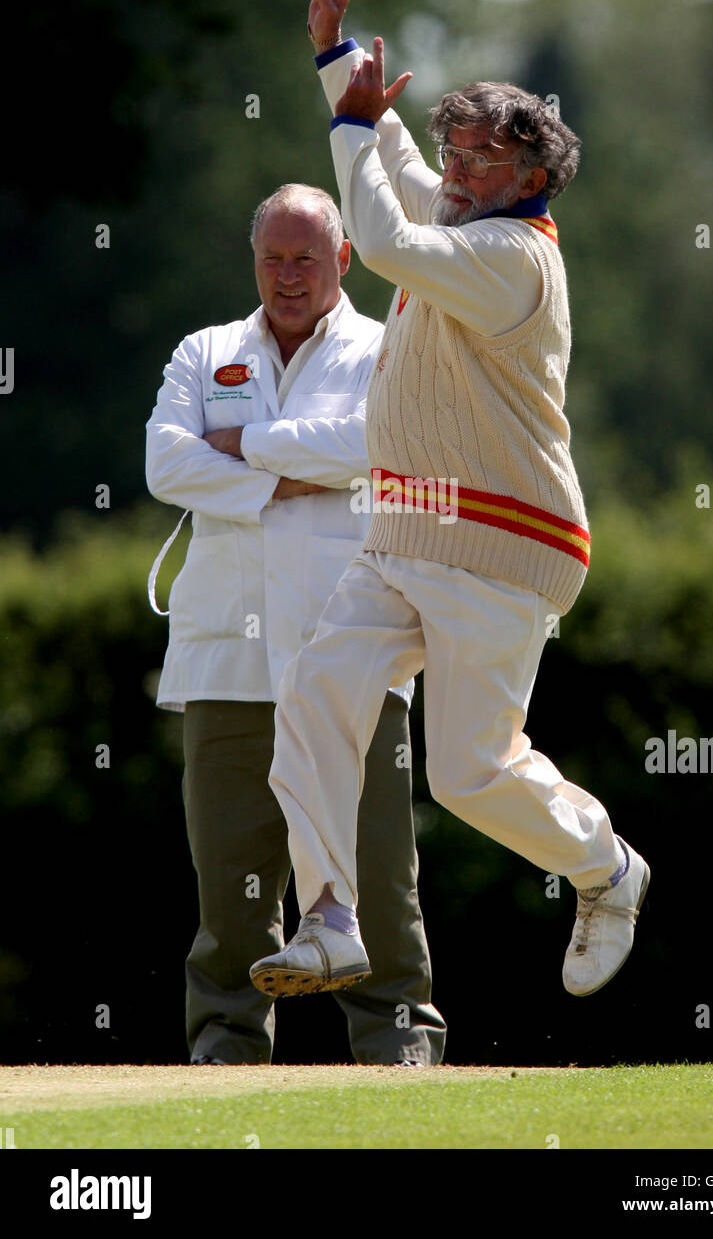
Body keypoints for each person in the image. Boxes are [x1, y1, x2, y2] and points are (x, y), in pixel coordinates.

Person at [249, 0, 650, 1004]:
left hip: (507, 545)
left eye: (483, 155)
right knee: (317, 689)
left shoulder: (513, 258)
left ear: (533, 175)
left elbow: (376, 234)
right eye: (456, 147)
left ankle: (605, 865)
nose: (460, 167)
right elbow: (384, 153)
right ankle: (330, 918)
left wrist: (360, 134)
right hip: (404, 536)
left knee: (466, 775)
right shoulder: (465, 220)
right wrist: (335, 52)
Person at [145, 183, 446, 1066]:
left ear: (343, 258)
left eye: (305, 258)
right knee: (231, 887)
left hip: (351, 646)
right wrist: (298, 471)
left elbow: (383, 447)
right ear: (253, 261)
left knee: (377, 875)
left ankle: (398, 1038)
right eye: (271, 258)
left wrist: (246, 447)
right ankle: (225, 1046)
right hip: (224, 658)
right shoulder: (206, 350)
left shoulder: (386, 350)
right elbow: (166, 461)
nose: (287, 276)